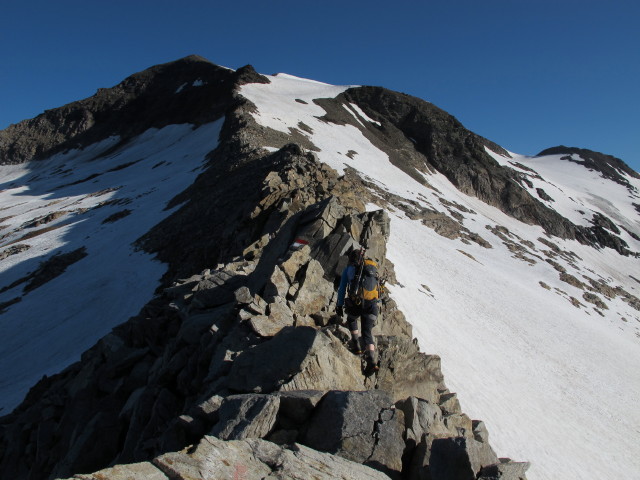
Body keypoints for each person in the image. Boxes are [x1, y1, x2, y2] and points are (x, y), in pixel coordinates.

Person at [335, 249, 379, 372]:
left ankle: (357, 346)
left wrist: (339, 305)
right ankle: (372, 361)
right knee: (367, 332)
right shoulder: (370, 268)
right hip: (372, 304)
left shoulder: (348, 270)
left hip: (357, 303)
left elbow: (342, 289)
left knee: (351, 319)